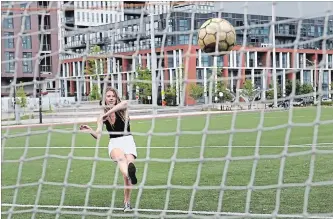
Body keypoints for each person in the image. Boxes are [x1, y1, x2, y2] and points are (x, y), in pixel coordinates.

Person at [79, 87, 138, 212]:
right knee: (123, 164)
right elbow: (98, 135)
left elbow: (125, 102)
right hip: (115, 143)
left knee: (129, 166)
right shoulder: (101, 116)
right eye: (108, 96)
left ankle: (127, 201)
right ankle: (130, 174)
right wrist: (90, 130)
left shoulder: (122, 108)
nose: (111, 98)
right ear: (104, 99)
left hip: (128, 140)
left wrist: (106, 113)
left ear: (116, 98)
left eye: (113, 96)